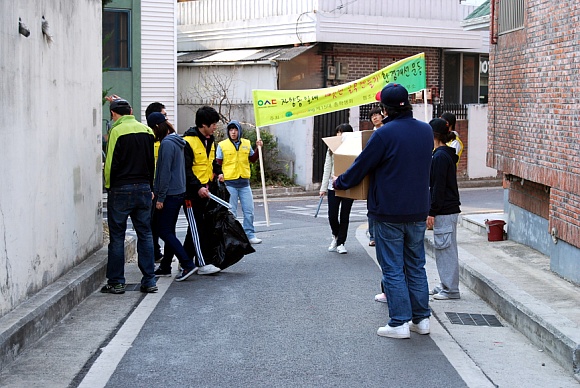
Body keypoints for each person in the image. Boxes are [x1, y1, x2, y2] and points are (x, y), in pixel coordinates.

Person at [334, 83, 433, 339]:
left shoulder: (383, 134)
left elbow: (361, 166)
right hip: (418, 209)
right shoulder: (425, 131)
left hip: (389, 210)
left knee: (392, 267)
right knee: (416, 266)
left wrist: (339, 182)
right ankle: (421, 320)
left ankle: (399, 322)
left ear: (385, 110)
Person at [102, 96, 157, 294]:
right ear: (131, 113)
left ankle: (116, 282)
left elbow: (110, 164)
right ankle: (149, 280)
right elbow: (152, 163)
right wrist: (150, 187)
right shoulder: (147, 131)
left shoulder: (116, 131)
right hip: (143, 188)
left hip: (121, 189)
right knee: (145, 234)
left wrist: (109, 186)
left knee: (117, 237)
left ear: (113, 114)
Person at [146, 112, 198, 281]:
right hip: (178, 191)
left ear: (156, 127)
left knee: (164, 230)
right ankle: (166, 264)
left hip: (169, 194)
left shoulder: (167, 144)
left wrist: (160, 198)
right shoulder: (177, 141)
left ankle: (187, 264)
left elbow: (164, 172)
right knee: (169, 230)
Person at [182, 106, 222, 275]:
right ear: (203, 124)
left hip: (207, 190)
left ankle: (184, 258)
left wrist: (218, 173)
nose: (215, 127)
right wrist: (197, 187)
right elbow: (185, 170)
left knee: (199, 227)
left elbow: (211, 162)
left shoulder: (210, 140)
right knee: (197, 228)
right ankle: (202, 263)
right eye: (213, 124)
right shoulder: (187, 142)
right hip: (192, 193)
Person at [427, 118, 461, 300]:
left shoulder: (440, 157)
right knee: (444, 248)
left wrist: (432, 211)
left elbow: (438, 187)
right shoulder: (443, 154)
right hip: (448, 208)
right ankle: (445, 284)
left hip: (445, 210)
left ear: (433, 135)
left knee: (445, 248)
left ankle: (450, 289)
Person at [216, 120, 263, 244]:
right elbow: (217, 163)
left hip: (244, 183)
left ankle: (250, 234)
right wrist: (219, 174)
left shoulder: (246, 143)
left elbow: (253, 159)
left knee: (249, 211)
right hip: (230, 183)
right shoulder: (222, 145)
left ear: (239, 131)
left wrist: (258, 148)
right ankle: (232, 236)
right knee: (231, 212)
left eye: (235, 130)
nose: (233, 132)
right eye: (231, 130)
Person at [319, 123, 355, 254]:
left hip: (348, 186)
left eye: (342, 132)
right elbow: (327, 168)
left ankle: (341, 243)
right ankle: (336, 236)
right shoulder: (331, 148)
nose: (340, 135)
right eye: (338, 132)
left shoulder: (354, 148)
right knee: (332, 216)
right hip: (333, 186)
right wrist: (323, 188)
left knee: (345, 216)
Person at [145, 101, 167, 263]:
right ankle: (154, 253)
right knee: (152, 223)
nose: (167, 120)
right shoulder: (149, 140)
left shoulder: (165, 141)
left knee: (157, 223)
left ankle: (156, 253)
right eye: (164, 116)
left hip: (159, 187)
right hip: (152, 188)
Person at [367, 106, 384, 247]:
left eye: (377, 115)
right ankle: (373, 235)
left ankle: (380, 234)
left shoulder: (387, 131)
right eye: (372, 116)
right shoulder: (369, 135)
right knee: (372, 206)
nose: (375, 118)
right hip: (373, 173)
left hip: (384, 174)